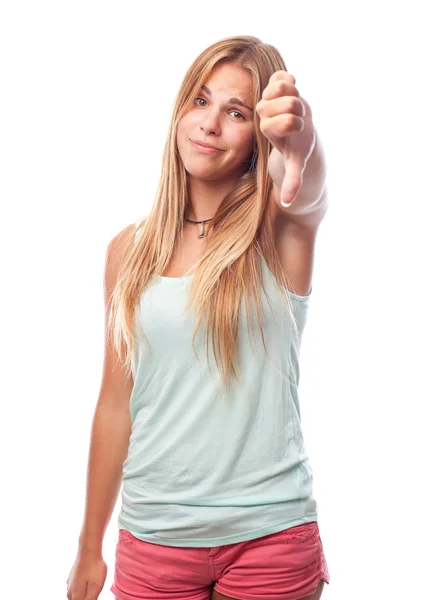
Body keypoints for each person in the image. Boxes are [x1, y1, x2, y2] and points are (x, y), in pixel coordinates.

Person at [66, 34, 330, 600]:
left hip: (270, 537)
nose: (209, 124)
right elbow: (116, 405)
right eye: (200, 101)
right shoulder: (127, 251)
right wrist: (90, 545)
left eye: (236, 113)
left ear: (260, 138)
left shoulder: (279, 230)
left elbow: (307, 189)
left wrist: (302, 139)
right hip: (154, 538)